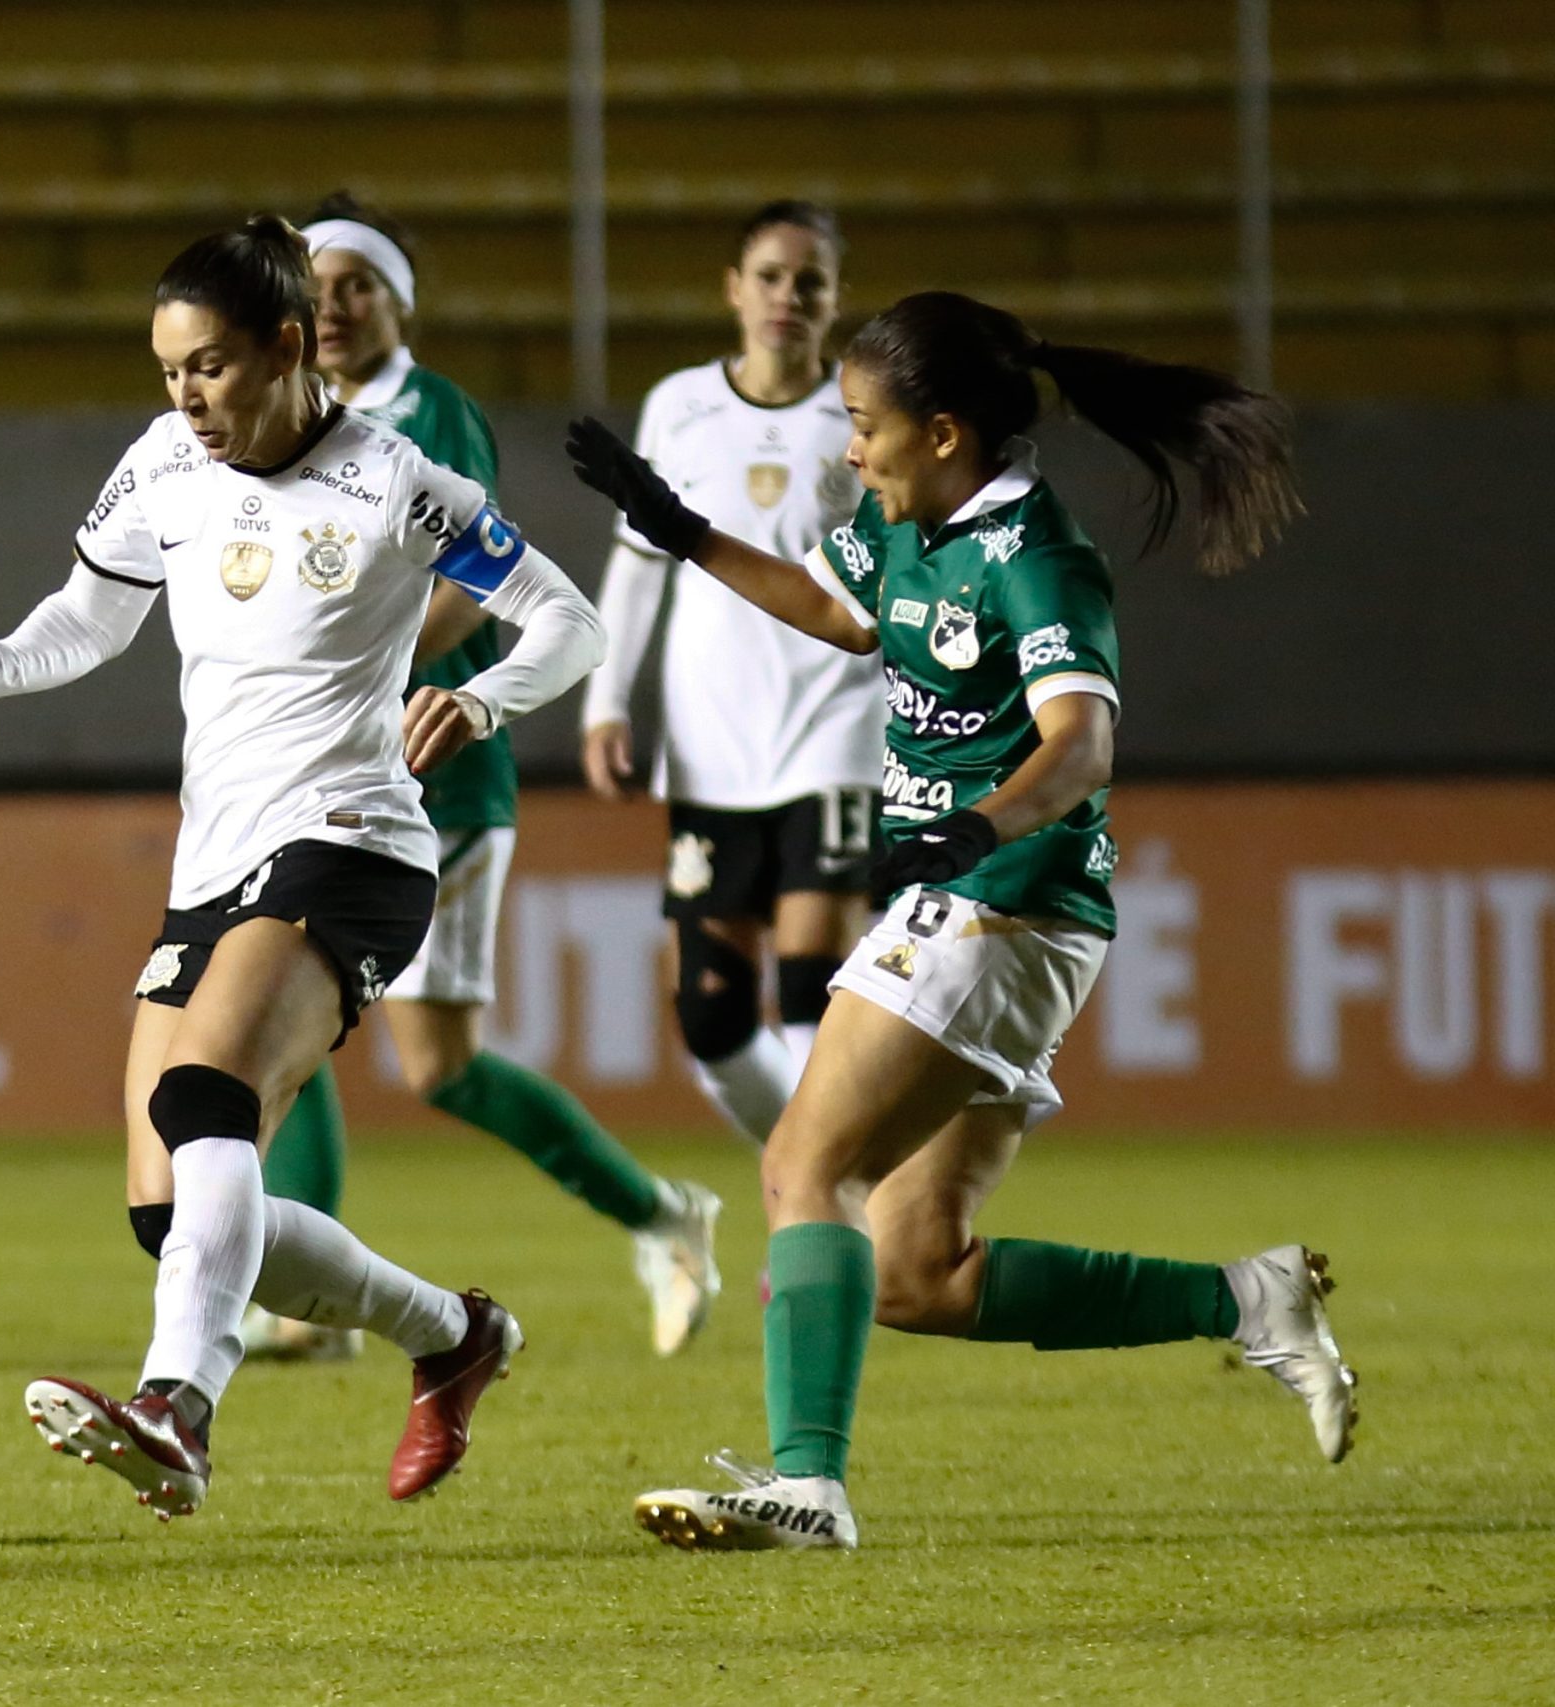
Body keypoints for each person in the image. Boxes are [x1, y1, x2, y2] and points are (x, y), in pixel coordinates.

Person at [566, 290, 1353, 1553]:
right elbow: (831, 610)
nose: (845, 450)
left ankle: (805, 1485)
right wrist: (677, 528)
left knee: (799, 1167)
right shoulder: (911, 528)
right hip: (997, 910)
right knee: (915, 1272)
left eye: (862, 425)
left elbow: (1080, 742)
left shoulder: (1033, 555)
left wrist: (982, 825)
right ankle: (1250, 1301)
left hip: (1003, 905)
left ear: (941, 433)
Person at [0, 216, 605, 1522]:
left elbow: (569, 617)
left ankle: (179, 1403)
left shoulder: (396, 480)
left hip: (353, 844)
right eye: (169, 370)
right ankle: (450, 1333)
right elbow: (88, 617)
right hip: (217, 857)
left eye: (211, 367)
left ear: (288, 348)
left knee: (208, 1092)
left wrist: (490, 698)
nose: (186, 397)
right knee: (172, 1215)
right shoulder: (166, 461)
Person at [239, 191, 722, 1366]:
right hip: (308, 774)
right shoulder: (285, 417)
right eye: (323, 282)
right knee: (272, 1019)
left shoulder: (426, 411)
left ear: (400, 299)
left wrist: (366, 668)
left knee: (433, 1066)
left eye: (363, 282)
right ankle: (311, 1299)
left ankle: (662, 1214)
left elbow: (470, 579)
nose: (341, 303)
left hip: (428, 774)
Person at [579, 201, 881, 1203]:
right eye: (768, 275)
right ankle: (816, 1179)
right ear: (732, 287)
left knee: (809, 988)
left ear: (836, 300)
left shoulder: (860, 417)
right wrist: (605, 702)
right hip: (710, 742)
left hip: (834, 727)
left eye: (809, 280)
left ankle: (818, 1214)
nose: (787, 297)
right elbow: (638, 565)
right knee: (710, 1014)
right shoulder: (678, 408)